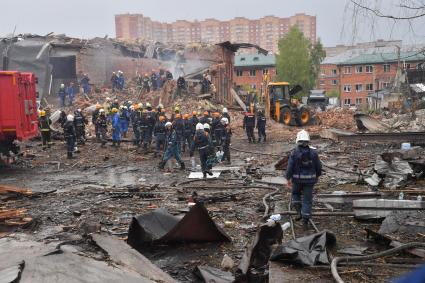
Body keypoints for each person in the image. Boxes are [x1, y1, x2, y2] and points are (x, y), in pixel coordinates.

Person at [285, 130, 322, 228]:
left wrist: (288, 178)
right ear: (308, 141)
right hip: (310, 182)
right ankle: (305, 221)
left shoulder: (294, 153)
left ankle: (299, 213)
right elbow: (319, 167)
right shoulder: (313, 153)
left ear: (298, 140)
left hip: (297, 181)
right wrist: (317, 176)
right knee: (307, 200)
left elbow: (289, 167)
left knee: (295, 194)